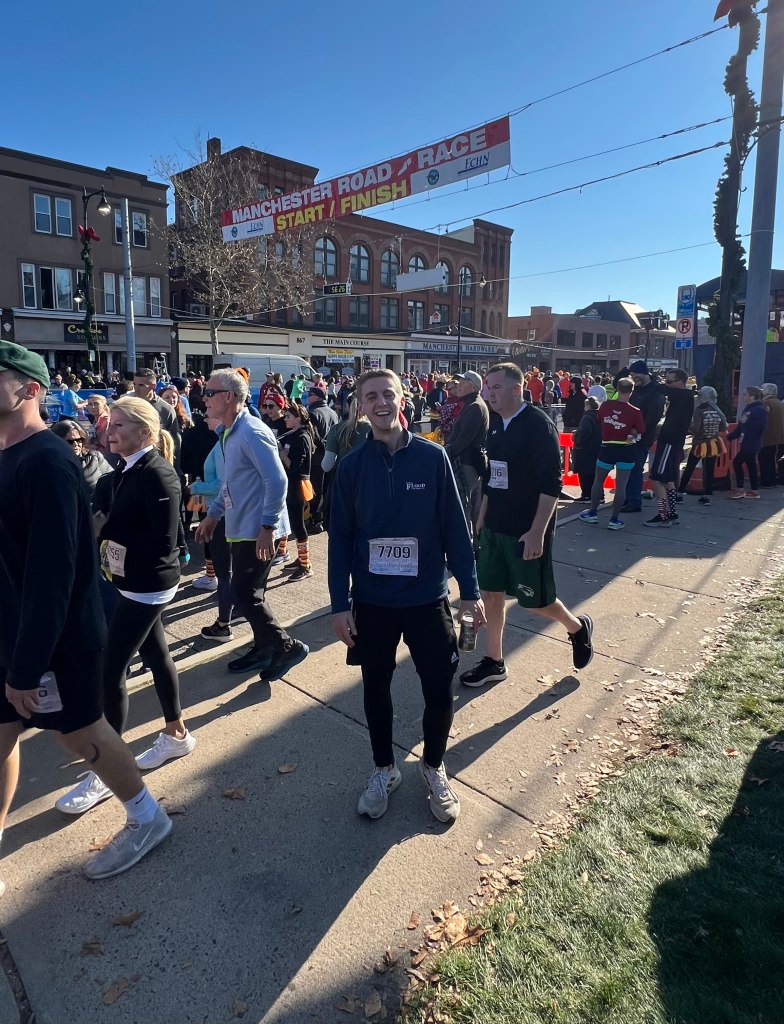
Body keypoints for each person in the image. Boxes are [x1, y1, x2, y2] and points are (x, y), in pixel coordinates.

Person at [0, 341, 171, 883]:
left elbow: (53, 574)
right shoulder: (7, 455)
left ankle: (147, 817)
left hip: (57, 638)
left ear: (29, 390)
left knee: (79, 731)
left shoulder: (47, 461)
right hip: (12, 632)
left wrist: (28, 665)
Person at [329, 369, 485, 822]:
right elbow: (339, 540)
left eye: (388, 394)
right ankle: (384, 769)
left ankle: (434, 767)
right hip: (373, 604)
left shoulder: (433, 458)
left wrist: (469, 592)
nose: (380, 402)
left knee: (440, 688)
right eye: (370, 396)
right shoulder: (352, 467)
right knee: (375, 689)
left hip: (426, 600)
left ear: (403, 400)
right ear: (360, 405)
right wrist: (340, 605)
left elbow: (455, 530)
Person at [58, 397, 196, 815]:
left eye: (119, 425)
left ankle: (103, 773)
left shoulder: (158, 475)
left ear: (145, 432)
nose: (109, 430)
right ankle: (176, 734)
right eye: (109, 423)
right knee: (156, 653)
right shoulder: (123, 471)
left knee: (110, 670)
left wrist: (105, 530)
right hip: (127, 581)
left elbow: (165, 543)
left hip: (148, 586)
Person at [460, 363, 594, 689]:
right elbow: (494, 477)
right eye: (487, 387)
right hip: (494, 527)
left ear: (517, 389)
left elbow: (552, 484)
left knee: (535, 603)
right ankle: (494, 661)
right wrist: (481, 520)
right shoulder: (494, 425)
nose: (489, 393)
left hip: (526, 531)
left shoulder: (538, 426)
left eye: (495, 387)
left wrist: (537, 532)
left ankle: (576, 627)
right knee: (491, 595)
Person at [195, 369, 309, 679]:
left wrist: (267, 528)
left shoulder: (251, 431)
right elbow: (233, 484)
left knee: (245, 593)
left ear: (228, 397)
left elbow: (277, 480)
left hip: (256, 529)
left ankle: (286, 647)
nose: (203, 398)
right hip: (240, 527)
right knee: (249, 592)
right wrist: (214, 514)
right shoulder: (231, 433)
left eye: (208, 393)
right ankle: (264, 649)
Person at [578, 379, 644, 530]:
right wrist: (629, 430)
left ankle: (592, 513)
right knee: (621, 485)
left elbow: (600, 420)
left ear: (617, 389)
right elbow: (640, 430)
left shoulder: (606, 406)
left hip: (607, 447)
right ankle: (614, 519)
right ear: (631, 391)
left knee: (598, 480)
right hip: (627, 449)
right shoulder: (635, 411)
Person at [644, 368, 694, 527]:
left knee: (657, 479)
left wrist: (650, 378)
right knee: (668, 480)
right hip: (673, 442)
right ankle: (672, 514)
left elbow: (660, 388)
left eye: (670, 381)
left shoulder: (683, 395)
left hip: (669, 443)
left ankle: (663, 515)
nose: (667, 384)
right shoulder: (685, 396)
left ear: (681, 382)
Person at [445, 371, 489, 543]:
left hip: (467, 463)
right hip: (467, 462)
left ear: (473, 386)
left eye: (463, 381)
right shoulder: (472, 405)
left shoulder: (475, 407)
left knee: (465, 506)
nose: (458, 384)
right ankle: (474, 546)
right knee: (470, 507)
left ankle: (470, 547)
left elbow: (463, 441)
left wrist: (444, 454)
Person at [619, 361, 666, 514]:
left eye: (635, 375)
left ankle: (634, 501)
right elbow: (616, 383)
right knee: (627, 469)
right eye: (631, 375)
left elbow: (653, 417)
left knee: (634, 470)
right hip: (630, 436)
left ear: (644, 373)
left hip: (640, 437)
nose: (633, 378)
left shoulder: (655, 392)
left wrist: (637, 431)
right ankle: (629, 499)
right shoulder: (638, 389)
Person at [278, 402, 317, 581]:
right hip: (292, 485)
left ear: (298, 418)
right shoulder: (293, 434)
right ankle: (301, 559)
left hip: (298, 485)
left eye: (288, 417)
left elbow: (295, 467)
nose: (285, 419)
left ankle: (306, 564)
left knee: (298, 525)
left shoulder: (301, 437)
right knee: (294, 524)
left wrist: (281, 453)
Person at [677, 386, 727, 505]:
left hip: (700, 443)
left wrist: (688, 426)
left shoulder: (700, 409)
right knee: (709, 470)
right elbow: (723, 427)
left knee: (690, 467)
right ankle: (707, 496)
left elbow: (696, 428)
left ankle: (679, 493)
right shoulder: (717, 410)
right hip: (713, 443)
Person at [50, 419, 113, 499]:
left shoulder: (94, 458)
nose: (76, 444)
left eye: (79, 440)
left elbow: (113, 482)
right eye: (70, 442)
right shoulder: (51, 465)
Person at [133, 368, 181, 470]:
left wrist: (176, 469)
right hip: (131, 461)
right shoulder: (128, 405)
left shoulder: (165, 409)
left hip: (157, 464)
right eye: (135, 384)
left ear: (153, 386)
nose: (136, 388)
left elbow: (175, 441)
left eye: (141, 385)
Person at [306, 387, 338, 534]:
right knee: (326, 489)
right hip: (331, 456)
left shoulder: (313, 413)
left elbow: (313, 438)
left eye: (310, 395)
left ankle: (316, 519)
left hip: (317, 458)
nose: (307, 397)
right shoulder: (332, 413)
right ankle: (325, 518)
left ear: (318, 398)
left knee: (316, 490)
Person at [727, 386, 767, 498]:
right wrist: (729, 436)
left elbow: (761, 427)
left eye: (745, 394)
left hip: (753, 442)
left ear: (752, 396)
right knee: (750, 465)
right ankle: (754, 490)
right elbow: (740, 427)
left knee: (738, 462)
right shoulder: (748, 408)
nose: (743, 396)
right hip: (745, 441)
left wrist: (747, 422)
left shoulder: (760, 409)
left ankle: (740, 488)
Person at [572, 396, 602, 502]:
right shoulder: (600, 416)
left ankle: (586, 494)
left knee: (584, 474)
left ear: (588, 406)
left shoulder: (587, 417)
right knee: (596, 474)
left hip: (586, 449)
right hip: (597, 448)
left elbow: (585, 432)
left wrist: (578, 441)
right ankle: (599, 495)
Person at [758, 383, 784, 488]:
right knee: (771, 459)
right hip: (778, 436)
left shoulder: (765, 403)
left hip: (767, 436)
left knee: (764, 458)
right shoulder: (779, 403)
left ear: (766, 391)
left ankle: (766, 481)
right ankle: (771, 480)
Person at [86, 393, 111, 459]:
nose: (92, 407)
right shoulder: (96, 419)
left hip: (105, 457)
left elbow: (105, 445)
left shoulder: (105, 420)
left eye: (96, 404)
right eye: (90, 404)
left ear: (104, 406)